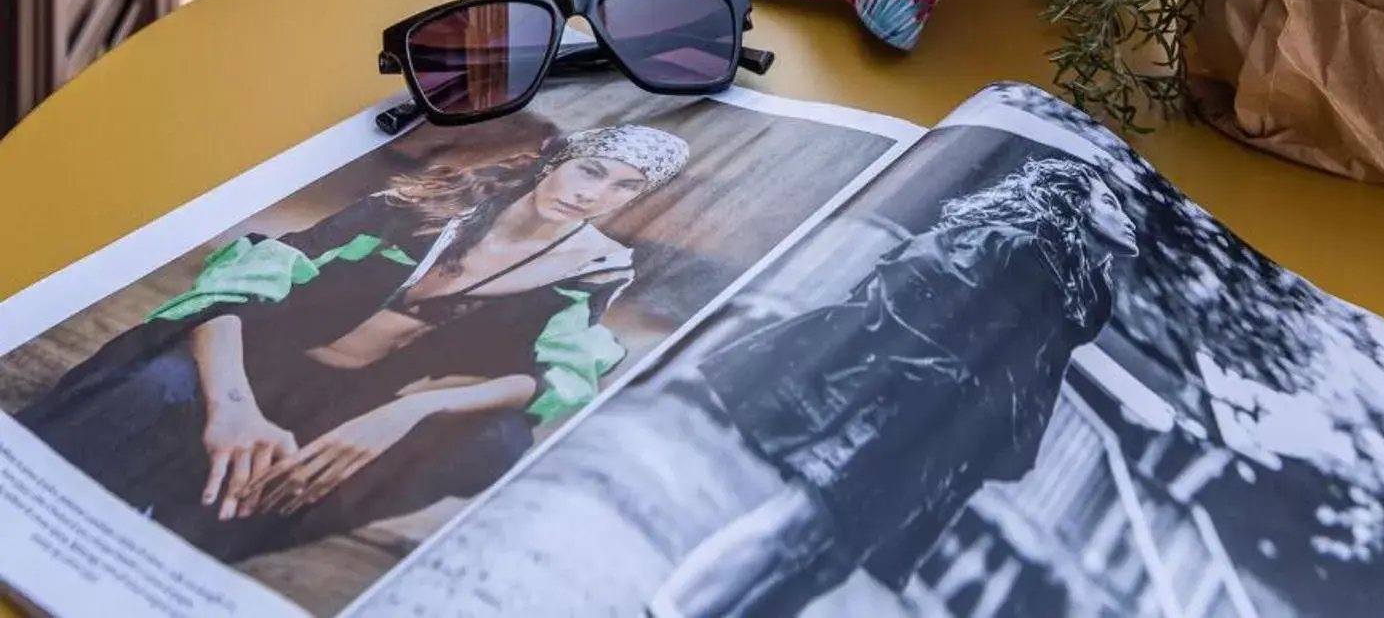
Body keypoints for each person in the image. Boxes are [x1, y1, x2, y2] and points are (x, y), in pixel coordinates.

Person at [21, 121, 688, 563]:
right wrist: (232, 405)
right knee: (157, 384)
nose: (594, 195)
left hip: (359, 400)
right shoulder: (427, 204)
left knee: (498, 438)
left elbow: (554, 373)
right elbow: (240, 283)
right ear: (559, 159)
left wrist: (409, 409)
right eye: (592, 170)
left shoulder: (596, 264)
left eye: (626, 187)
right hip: (256, 354)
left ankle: (220, 533)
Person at [653, 156, 1137, 618]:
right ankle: (666, 610)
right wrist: (926, 378)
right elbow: (912, 281)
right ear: (1073, 202)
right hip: (901, 409)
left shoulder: (1086, 299)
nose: (1126, 217)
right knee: (799, 520)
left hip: (947, 442)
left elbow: (1035, 375)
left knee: (832, 564)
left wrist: (1000, 434)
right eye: (1109, 202)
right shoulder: (1012, 244)